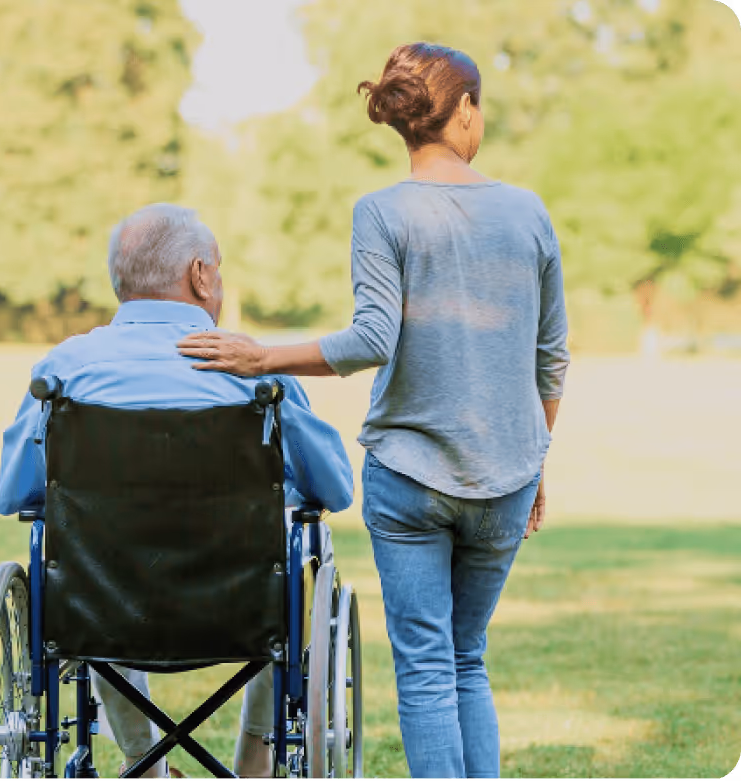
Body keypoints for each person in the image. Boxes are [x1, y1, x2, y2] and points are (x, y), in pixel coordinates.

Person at [177, 43, 570, 779]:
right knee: (466, 657)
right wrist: (535, 454)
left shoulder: (380, 213)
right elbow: (551, 356)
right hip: (508, 472)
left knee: (425, 666)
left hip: (410, 475)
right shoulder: (528, 212)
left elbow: (370, 340)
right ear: (462, 113)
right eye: (476, 106)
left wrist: (263, 355)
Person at [0, 203, 353, 779]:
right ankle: (256, 761)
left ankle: (145, 763)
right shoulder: (253, 371)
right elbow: (332, 489)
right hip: (240, 606)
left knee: (93, 554)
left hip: (102, 605)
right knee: (285, 561)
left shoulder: (64, 369)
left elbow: (15, 497)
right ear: (200, 275)